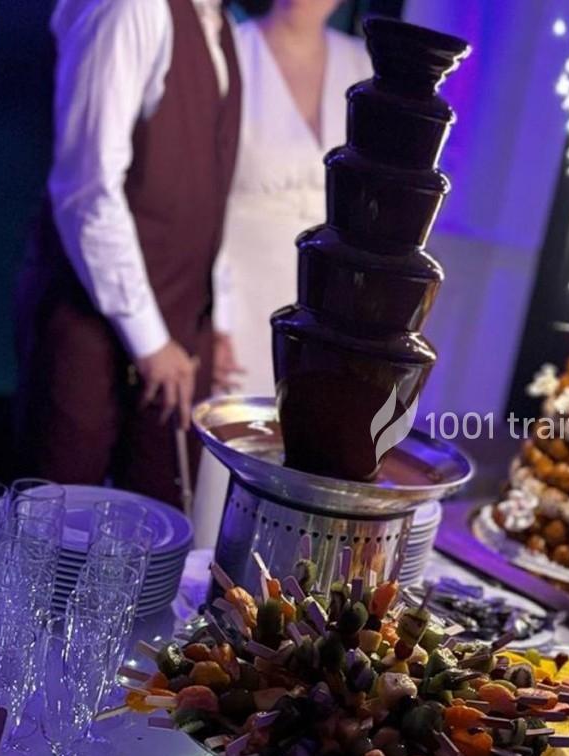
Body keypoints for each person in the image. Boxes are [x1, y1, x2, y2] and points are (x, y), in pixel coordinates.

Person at [15, 0, 242, 508]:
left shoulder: (221, 24)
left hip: (179, 325)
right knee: (57, 525)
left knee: (158, 533)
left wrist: (214, 317)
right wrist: (149, 339)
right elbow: (86, 190)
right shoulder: (129, 8)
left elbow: (205, 189)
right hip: (87, 318)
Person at [190, 0, 371, 545]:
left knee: (311, 464)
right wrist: (212, 316)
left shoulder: (362, 65)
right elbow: (202, 201)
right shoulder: (232, 51)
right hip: (240, 296)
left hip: (330, 310)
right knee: (232, 454)